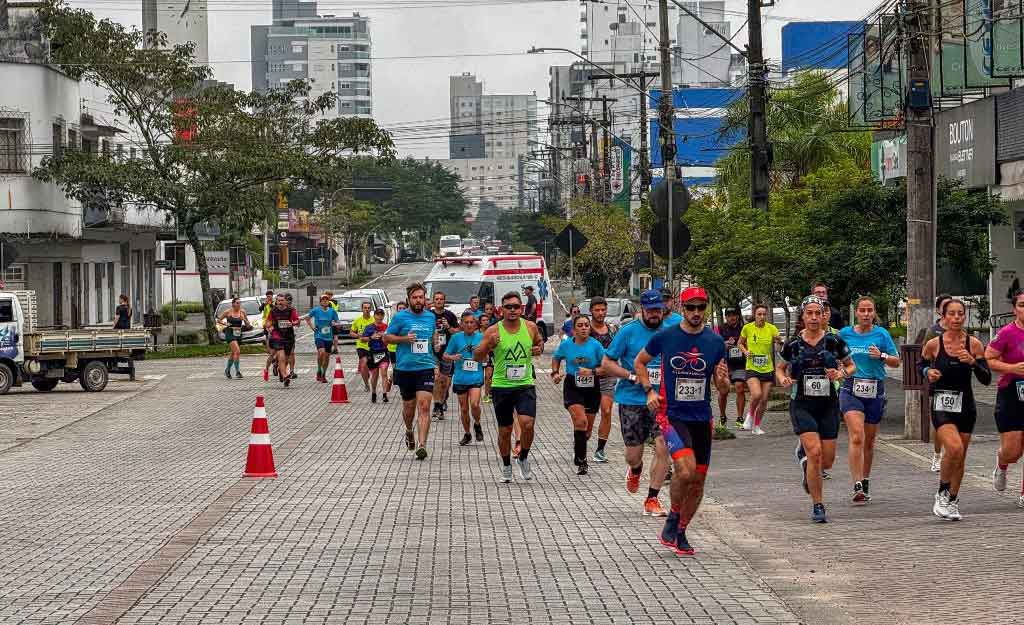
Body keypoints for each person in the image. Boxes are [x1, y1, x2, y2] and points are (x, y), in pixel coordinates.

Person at [634, 286, 728, 556]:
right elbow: (640, 363)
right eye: (691, 308)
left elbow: (722, 387)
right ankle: (674, 515)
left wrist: (723, 382)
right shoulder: (666, 337)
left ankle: (682, 531)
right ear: (681, 309)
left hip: (702, 418)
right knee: (684, 470)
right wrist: (649, 391)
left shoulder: (715, 342)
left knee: (698, 481)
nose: (696, 313)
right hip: (672, 415)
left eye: (701, 308)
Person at [776, 295, 855, 523]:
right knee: (815, 453)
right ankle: (818, 505)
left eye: (817, 313)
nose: (813, 317)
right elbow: (780, 368)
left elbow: (851, 365)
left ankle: (807, 465)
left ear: (823, 316)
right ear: (803, 316)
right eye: (809, 313)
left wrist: (840, 373)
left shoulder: (833, 341)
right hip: (801, 403)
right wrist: (782, 379)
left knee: (826, 461)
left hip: (828, 404)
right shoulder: (792, 344)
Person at [599, 289, 670, 516]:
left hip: (662, 401)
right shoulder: (628, 332)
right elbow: (607, 362)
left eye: (657, 310)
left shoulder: (671, 332)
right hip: (631, 399)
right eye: (650, 311)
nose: (654, 315)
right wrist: (631, 376)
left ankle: (652, 498)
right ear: (642, 310)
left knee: (663, 447)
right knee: (633, 455)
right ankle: (636, 469)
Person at [921, 298, 991, 520]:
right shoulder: (934, 344)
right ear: (943, 316)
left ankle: (952, 500)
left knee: (960, 457)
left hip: (966, 406)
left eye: (960, 314)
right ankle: (941, 492)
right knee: (954, 448)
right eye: (951, 314)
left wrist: (972, 361)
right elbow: (920, 364)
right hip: (941, 403)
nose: (956, 318)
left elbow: (986, 378)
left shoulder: (974, 344)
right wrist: (927, 373)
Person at [474, 291, 545, 482]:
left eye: (516, 306)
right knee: (505, 431)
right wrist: (488, 345)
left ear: (521, 308)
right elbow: (476, 356)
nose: (512, 310)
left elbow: (539, 343)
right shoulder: (493, 331)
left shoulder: (530, 327)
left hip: (524, 384)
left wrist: (539, 348)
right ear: (501, 309)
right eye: (508, 307)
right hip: (502, 386)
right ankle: (506, 465)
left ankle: (523, 458)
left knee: (527, 423)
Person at [838, 297, 900, 504]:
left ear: (874, 313)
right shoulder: (844, 334)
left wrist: (881, 355)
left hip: (875, 389)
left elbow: (896, 361)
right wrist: (839, 368)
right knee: (857, 436)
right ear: (856, 313)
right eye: (862, 310)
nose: (866, 314)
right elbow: (834, 356)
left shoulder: (881, 334)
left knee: (870, 441)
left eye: (869, 310)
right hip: (850, 388)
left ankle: (865, 480)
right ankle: (856, 484)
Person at [384, 284, 437, 460]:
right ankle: (408, 430)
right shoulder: (400, 317)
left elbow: (432, 336)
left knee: (424, 406)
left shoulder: (430, 317)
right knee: (409, 407)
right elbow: (386, 337)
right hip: (405, 368)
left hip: (425, 368)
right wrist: (404, 339)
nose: (418, 300)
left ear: (425, 299)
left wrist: (435, 349)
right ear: (409, 299)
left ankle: (422, 445)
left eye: (421, 297)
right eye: (415, 297)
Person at [552, 315, 605, 475]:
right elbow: (556, 358)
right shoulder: (566, 345)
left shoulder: (596, 346)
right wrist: (555, 372)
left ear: (590, 328)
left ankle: (578, 448)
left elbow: (607, 367)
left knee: (587, 430)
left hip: (592, 387)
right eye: (580, 326)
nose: (583, 328)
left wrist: (592, 371)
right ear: (574, 330)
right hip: (572, 385)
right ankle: (583, 461)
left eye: (586, 325)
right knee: (580, 421)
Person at [985, 290, 1024, 508]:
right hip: (1011, 393)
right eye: (1022, 305)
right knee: (1013, 451)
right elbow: (988, 358)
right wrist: (1011, 368)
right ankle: (1002, 464)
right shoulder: (1007, 333)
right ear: (1014, 309)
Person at [920, 294, 954, 472]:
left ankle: (953, 454)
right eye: (946, 307)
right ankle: (937, 455)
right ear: (939, 311)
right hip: (939, 383)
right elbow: (924, 356)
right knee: (940, 421)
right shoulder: (933, 331)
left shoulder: (961, 330)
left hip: (958, 384)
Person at [739, 304, 782, 434]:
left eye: (764, 314)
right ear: (754, 314)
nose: (762, 317)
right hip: (752, 367)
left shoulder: (772, 328)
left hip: (767, 367)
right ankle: (750, 416)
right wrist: (745, 352)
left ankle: (756, 426)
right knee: (756, 394)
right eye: (759, 314)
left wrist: (779, 342)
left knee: (763, 400)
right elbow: (740, 343)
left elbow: (779, 346)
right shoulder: (747, 328)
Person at [444, 311, 485, 445]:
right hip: (461, 378)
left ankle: (477, 423)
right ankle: (467, 433)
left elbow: (487, 356)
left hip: (476, 376)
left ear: (476, 324)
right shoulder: (456, 338)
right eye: (466, 322)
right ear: (461, 324)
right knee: (464, 409)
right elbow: (445, 355)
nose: (468, 325)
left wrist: (482, 357)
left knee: (474, 404)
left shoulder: (481, 337)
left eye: (471, 322)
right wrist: (452, 357)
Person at [587, 296, 618, 463]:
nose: (600, 313)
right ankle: (582, 442)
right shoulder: (585, 329)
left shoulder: (612, 329)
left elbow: (620, 348)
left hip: (608, 378)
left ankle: (600, 450)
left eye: (603, 309)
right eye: (597, 310)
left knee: (606, 411)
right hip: (590, 378)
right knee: (587, 420)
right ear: (591, 311)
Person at [430, 291, 460, 420]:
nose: (439, 301)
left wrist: (448, 327)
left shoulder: (450, 315)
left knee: (445, 383)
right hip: (433, 352)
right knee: (437, 379)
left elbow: (457, 332)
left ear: (444, 301)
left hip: (447, 352)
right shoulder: (428, 315)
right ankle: (438, 406)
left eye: (441, 299)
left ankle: (441, 402)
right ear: (433, 301)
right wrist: (433, 340)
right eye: (436, 299)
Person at [715, 308, 747, 427]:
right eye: (729, 315)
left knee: (739, 387)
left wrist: (742, 346)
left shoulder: (744, 328)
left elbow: (748, 343)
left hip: (739, 364)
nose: (732, 317)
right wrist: (724, 344)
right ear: (725, 317)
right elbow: (713, 343)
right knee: (723, 391)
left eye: (734, 315)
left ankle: (740, 418)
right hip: (724, 364)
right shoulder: (720, 328)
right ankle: (722, 416)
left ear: (738, 316)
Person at [302, 294, 340, 383]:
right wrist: (312, 327)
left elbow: (337, 321)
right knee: (321, 352)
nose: (325, 301)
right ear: (320, 302)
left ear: (328, 301)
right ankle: (319, 369)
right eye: (323, 300)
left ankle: (323, 374)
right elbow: (307, 318)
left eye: (326, 300)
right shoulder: (316, 310)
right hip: (319, 335)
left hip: (329, 337)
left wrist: (335, 324)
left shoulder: (332, 311)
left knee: (326, 356)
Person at [267, 293, 299, 387]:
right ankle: (285, 376)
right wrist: (269, 326)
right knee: (281, 355)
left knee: (287, 357)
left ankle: (282, 372)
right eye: (278, 300)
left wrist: (293, 323)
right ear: (276, 301)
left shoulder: (291, 310)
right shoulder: (273, 311)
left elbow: (297, 321)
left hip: (288, 336)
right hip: (277, 335)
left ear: (285, 301)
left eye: (282, 300)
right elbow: (268, 321)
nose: (280, 302)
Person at [361, 308, 391, 402]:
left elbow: (390, 338)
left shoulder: (386, 327)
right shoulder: (369, 327)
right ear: (374, 316)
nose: (379, 317)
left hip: (384, 352)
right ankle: (374, 392)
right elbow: (362, 339)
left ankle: (384, 394)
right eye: (378, 315)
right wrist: (371, 337)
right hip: (373, 352)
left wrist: (385, 338)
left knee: (384, 372)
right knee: (375, 375)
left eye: (381, 315)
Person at [217, 297, 248, 379]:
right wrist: (225, 323)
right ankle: (237, 372)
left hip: (238, 333)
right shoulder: (228, 312)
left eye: (240, 303)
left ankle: (227, 370)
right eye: (237, 303)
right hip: (230, 332)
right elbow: (219, 320)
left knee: (233, 353)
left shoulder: (242, 312)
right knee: (237, 351)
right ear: (233, 304)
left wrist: (244, 319)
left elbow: (248, 324)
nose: (239, 304)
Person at [350, 301, 375, 392]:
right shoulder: (358, 320)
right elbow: (351, 333)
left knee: (369, 367)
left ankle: (367, 374)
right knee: (363, 365)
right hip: (361, 346)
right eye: (365, 308)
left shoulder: (374, 320)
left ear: (371, 309)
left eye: (368, 308)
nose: (367, 310)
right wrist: (358, 336)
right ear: (362, 309)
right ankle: (367, 385)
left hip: (372, 347)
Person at [261, 290, 276, 379]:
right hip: (266, 325)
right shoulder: (265, 303)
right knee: (268, 347)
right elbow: (260, 309)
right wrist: (264, 304)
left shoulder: (274, 303)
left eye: (270, 296)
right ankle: (273, 361)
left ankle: (275, 363)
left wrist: (270, 304)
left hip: (274, 326)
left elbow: (274, 309)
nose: (269, 297)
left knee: (275, 347)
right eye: (267, 296)